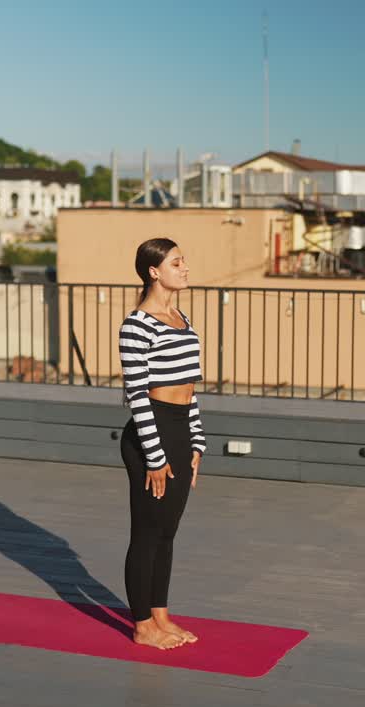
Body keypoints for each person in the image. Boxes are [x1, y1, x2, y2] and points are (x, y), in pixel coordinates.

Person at [118, 237, 206, 650]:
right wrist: (155, 457)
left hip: (179, 431)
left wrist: (196, 443)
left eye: (183, 260)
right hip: (151, 435)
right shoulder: (137, 324)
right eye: (177, 262)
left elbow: (191, 388)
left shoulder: (181, 318)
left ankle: (161, 616)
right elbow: (137, 395)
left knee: (167, 533)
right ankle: (141, 627)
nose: (185, 267)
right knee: (147, 534)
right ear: (154, 271)